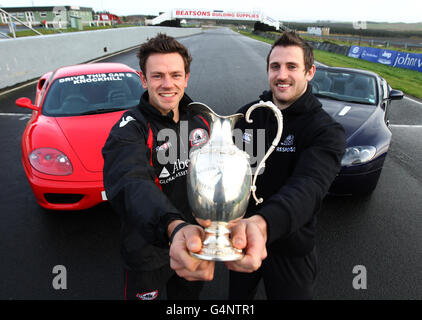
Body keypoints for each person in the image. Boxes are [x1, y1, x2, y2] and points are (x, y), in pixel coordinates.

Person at [102, 33, 266, 300]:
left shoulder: (202, 120)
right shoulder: (130, 127)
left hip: (195, 241)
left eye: (176, 75)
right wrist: (173, 225)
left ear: (186, 78)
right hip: (147, 250)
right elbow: (130, 182)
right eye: (157, 76)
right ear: (143, 79)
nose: (168, 84)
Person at [228, 31, 347, 299]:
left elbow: (309, 186)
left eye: (292, 66)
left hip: (291, 250)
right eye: (275, 67)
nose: (282, 75)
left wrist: (262, 224)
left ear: (310, 72)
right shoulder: (248, 115)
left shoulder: (326, 130)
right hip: (242, 239)